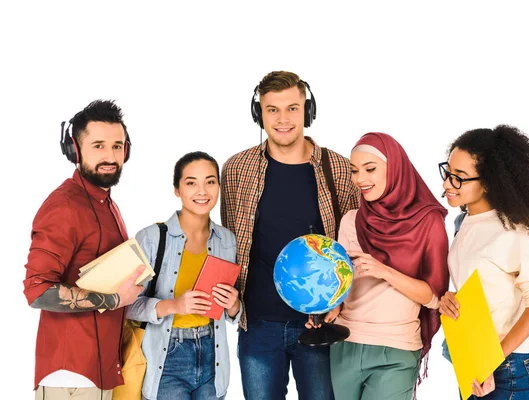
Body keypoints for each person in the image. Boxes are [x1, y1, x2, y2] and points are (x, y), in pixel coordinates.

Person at [220, 70, 360, 399]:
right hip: (258, 326)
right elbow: (230, 241)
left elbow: (355, 242)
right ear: (260, 114)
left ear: (307, 111)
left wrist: (340, 304)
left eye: (292, 108)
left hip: (320, 325)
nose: (283, 119)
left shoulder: (337, 168)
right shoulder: (237, 169)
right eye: (272, 110)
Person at [23, 100, 145, 400]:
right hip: (71, 378)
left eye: (117, 146)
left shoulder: (108, 204)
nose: (110, 156)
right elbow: (37, 291)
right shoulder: (64, 206)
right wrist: (117, 298)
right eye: (98, 146)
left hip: (101, 369)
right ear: (75, 151)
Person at [320, 132, 450, 400]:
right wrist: (330, 307)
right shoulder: (350, 220)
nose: (360, 179)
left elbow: (434, 298)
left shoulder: (428, 222)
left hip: (397, 348)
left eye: (370, 169)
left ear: (396, 168)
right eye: (355, 171)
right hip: (346, 343)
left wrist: (384, 271)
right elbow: (343, 285)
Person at [438, 125, 529, 399]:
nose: (446, 184)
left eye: (459, 178)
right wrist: (450, 299)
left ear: (489, 181)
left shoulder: (516, 230)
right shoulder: (463, 222)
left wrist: (492, 360)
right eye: (448, 172)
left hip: (507, 367)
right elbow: (481, 282)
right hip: (474, 359)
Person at [127, 151, 241, 400]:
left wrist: (234, 306)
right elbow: (126, 305)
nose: (202, 191)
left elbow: (234, 314)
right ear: (177, 190)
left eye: (210, 181)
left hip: (213, 355)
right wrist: (174, 305)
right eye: (191, 182)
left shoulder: (228, 241)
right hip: (167, 358)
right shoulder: (150, 238)